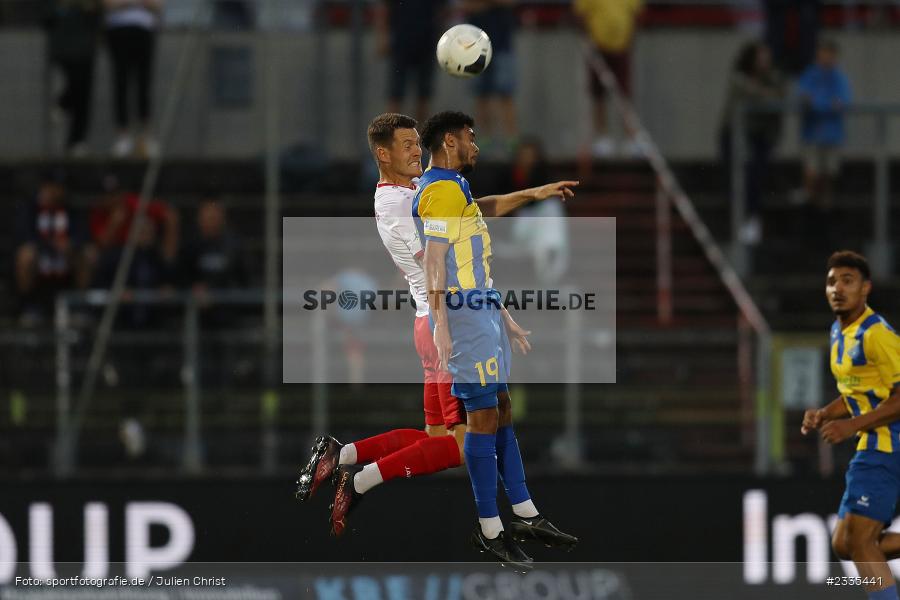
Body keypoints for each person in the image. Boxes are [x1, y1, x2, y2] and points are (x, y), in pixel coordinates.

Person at [295, 113, 577, 563]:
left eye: (415, 143)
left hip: (431, 324)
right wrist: (486, 314)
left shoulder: (418, 188)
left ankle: (344, 454)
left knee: (434, 437)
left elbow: (468, 211)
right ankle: (366, 479)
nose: (414, 152)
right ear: (383, 154)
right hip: (447, 321)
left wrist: (532, 194)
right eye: (405, 145)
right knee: (464, 444)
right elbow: (439, 261)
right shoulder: (392, 204)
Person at [416, 111, 577, 564]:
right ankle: (490, 527)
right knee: (483, 416)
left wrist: (533, 193)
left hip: (481, 309)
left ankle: (524, 513)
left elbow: (482, 211)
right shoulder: (441, 190)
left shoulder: (453, 187)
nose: (477, 145)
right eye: (471, 137)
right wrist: (442, 324)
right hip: (463, 317)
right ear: (450, 140)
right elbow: (434, 258)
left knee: (501, 407)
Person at [802, 250, 900, 600]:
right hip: (872, 444)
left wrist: (850, 426)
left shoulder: (876, 335)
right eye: (831, 281)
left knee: (860, 541)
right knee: (844, 544)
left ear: (866, 288)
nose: (837, 288)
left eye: (847, 281)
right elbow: (858, 392)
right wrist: (826, 414)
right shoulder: (838, 331)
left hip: (889, 444)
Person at [718, 40, 785, 245]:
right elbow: (754, 94)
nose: (764, 63)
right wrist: (769, 94)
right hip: (734, 134)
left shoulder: (773, 78)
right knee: (736, 178)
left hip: (758, 135)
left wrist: (771, 93)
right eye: (760, 58)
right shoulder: (739, 78)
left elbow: (782, 95)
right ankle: (738, 221)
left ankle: (752, 221)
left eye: (767, 58)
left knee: (756, 177)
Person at [573, 0, 643, 158]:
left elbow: (635, 14)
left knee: (624, 94)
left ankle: (630, 137)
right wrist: (587, 39)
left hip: (621, 47)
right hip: (598, 47)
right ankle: (602, 137)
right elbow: (581, 13)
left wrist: (629, 39)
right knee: (598, 94)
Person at [796, 38, 851, 212]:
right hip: (812, 132)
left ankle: (824, 208)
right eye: (823, 54)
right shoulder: (810, 75)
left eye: (830, 54)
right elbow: (804, 99)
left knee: (829, 173)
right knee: (811, 170)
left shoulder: (840, 78)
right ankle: (810, 203)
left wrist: (818, 104)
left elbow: (843, 103)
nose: (826, 58)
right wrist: (827, 105)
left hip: (832, 134)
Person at [104, 0, 163, 158]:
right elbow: (108, 4)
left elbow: (157, 5)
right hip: (119, 29)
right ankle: (123, 135)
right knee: (121, 81)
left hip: (143, 29)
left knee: (144, 82)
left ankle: (145, 136)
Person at [374, 0, 447, 124]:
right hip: (401, 42)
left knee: (424, 95)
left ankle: (419, 138)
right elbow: (384, 8)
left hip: (427, 42)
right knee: (396, 93)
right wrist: (383, 36)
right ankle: (391, 137)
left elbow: (443, 11)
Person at [461, 0, 518, 157]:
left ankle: (511, 140)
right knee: (481, 95)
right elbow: (466, 6)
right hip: (475, 45)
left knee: (505, 93)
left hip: (502, 43)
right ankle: (484, 140)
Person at [44, 0, 102, 156]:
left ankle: (76, 140)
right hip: (63, 48)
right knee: (76, 84)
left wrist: (90, 8)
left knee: (83, 96)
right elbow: (47, 17)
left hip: (85, 49)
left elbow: (98, 17)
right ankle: (63, 103)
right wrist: (62, 7)